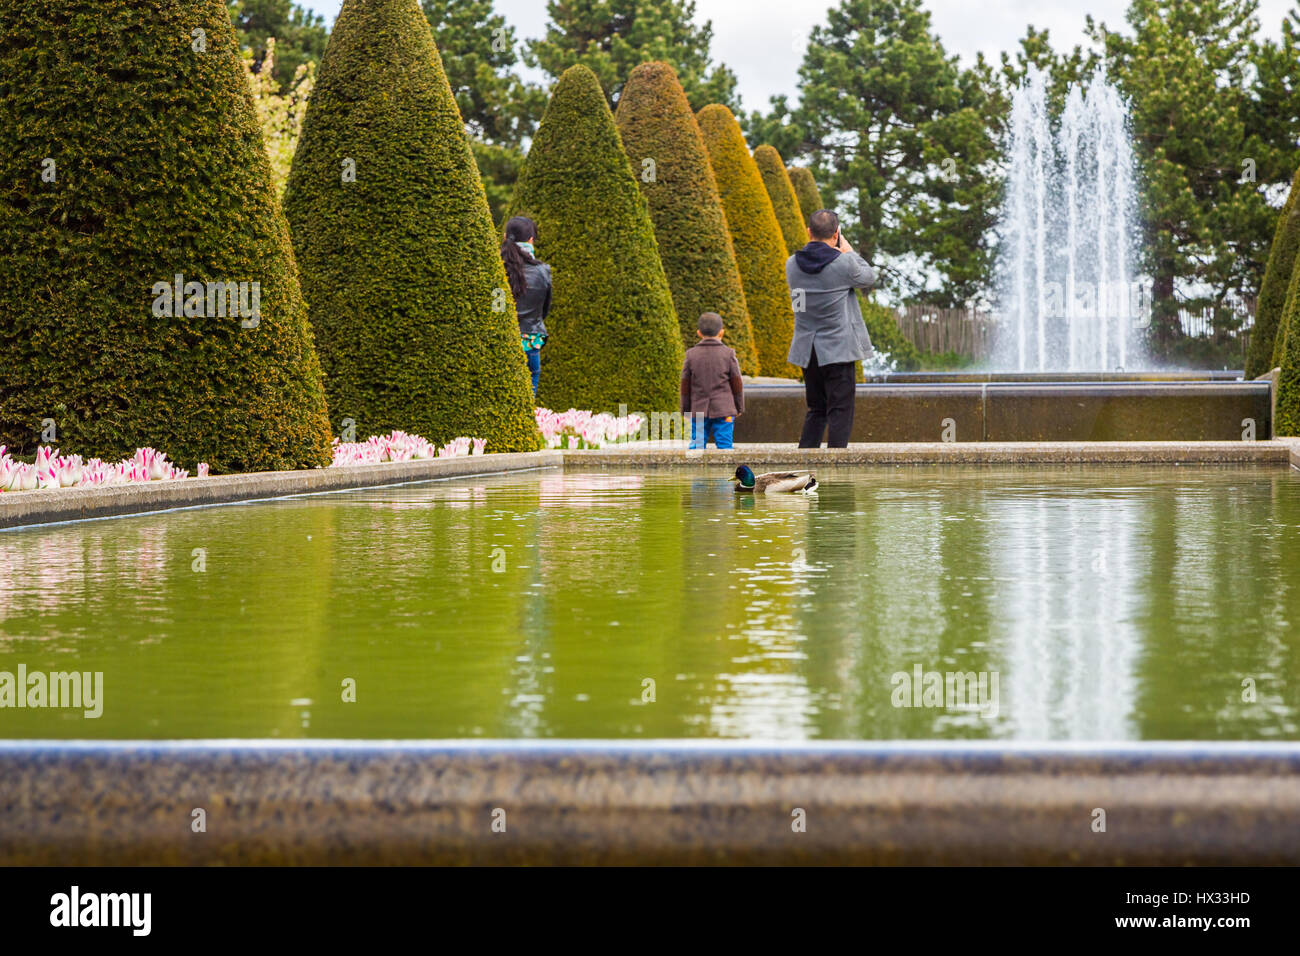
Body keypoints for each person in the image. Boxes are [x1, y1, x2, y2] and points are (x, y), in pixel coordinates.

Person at [785, 209, 876, 448]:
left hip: (808, 349)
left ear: (809, 232)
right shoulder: (843, 262)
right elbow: (869, 277)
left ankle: (803, 466)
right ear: (836, 234)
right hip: (839, 348)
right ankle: (838, 476)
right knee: (840, 411)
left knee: (816, 409)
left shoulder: (792, 264)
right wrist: (849, 251)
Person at [500, 216, 552, 394]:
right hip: (530, 343)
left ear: (505, 236)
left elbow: (494, 310)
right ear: (531, 240)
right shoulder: (542, 271)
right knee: (528, 409)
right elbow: (544, 310)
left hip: (501, 344)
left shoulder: (497, 269)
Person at [681, 312, 744, 450]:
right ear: (721, 332)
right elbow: (737, 383)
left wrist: (685, 410)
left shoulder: (690, 354)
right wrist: (738, 407)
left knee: (697, 446)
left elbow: (685, 386)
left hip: (698, 409)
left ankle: (695, 471)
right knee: (725, 446)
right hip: (724, 409)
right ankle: (725, 471)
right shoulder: (728, 354)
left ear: (699, 333)